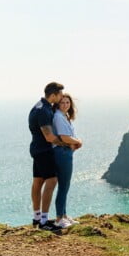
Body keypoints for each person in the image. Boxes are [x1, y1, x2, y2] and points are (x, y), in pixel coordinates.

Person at [28, 81, 65, 233]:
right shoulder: (43, 110)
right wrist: (66, 143)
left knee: (38, 181)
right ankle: (44, 221)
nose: (62, 97)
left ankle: (37, 218)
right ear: (53, 95)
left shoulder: (39, 106)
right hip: (43, 151)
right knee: (52, 180)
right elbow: (49, 136)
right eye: (60, 94)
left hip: (36, 149)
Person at [52, 93, 82, 228]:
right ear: (58, 104)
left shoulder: (64, 116)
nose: (65, 105)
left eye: (67, 102)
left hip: (65, 152)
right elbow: (64, 137)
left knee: (65, 185)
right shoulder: (58, 117)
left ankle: (64, 215)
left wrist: (74, 144)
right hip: (62, 153)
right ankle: (59, 218)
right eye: (62, 102)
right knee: (63, 185)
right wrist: (79, 141)